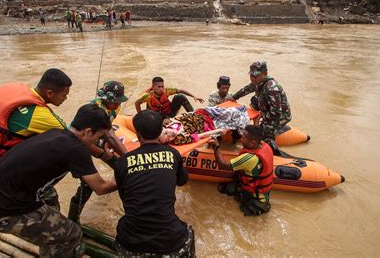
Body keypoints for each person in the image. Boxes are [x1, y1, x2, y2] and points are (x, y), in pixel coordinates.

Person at [0, 104, 117, 257]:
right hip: (4, 212)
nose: (97, 142)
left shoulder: (56, 133)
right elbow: (101, 188)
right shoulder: (75, 149)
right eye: (99, 137)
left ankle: (48, 241)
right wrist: (124, 175)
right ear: (88, 131)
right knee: (72, 233)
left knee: (52, 199)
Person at [0, 68, 71, 184]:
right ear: (50, 93)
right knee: (45, 193)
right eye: (64, 95)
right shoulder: (38, 115)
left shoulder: (13, 88)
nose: (65, 99)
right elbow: (70, 138)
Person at [114, 110, 195, 256]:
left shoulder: (122, 162)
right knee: (188, 231)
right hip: (170, 240)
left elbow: (125, 198)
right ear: (160, 132)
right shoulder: (173, 154)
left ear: (138, 134)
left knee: (123, 224)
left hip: (131, 240)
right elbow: (182, 181)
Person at [68, 81, 128, 223]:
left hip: (95, 139)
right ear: (108, 100)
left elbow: (109, 134)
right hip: (78, 145)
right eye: (116, 102)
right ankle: (72, 220)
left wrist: (128, 159)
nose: (118, 104)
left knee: (122, 167)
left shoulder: (113, 108)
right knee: (87, 186)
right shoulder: (95, 111)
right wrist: (101, 153)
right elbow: (82, 140)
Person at [208, 125, 273, 216]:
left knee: (223, 191)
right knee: (225, 189)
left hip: (256, 201)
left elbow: (223, 166)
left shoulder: (249, 158)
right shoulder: (265, 146)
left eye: (243, 137)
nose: (241, 139)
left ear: (252, 143)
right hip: (257, 190)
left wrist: (216, 147)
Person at [230, 61, 291, 141]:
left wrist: (260, 116)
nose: (253, 78)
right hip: (268, 111)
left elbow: (276, 113)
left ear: (265, 73)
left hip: (280, 116)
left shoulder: (272, 89)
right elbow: (247, 89)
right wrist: (234, 97)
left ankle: (271, 143)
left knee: (262, 136)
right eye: (251, 75)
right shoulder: (257, 82)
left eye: (256, 76)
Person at [159, 105, 249, 145]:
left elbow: (184, 115)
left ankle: (239, 109)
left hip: (203, 113)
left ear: (164, 128)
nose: (170, 135)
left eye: (166, 133)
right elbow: (200, 136)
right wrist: (218, 131)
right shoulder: (179, 139)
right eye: (168, 139)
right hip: (208, 126)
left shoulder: (166, 122)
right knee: (236, 122)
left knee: (233, 112)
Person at [134, 76, 204, 118]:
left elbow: (181, 90)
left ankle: (193, 116)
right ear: (153, 87)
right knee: (147, 113)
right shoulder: (147, 96)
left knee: (180, 96)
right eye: (159, 87)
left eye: (162, 86)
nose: (161, 88)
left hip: (169, 113)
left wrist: (194, 96)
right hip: (157, 118)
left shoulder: (167, 91)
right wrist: (140, 114)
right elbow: (137, 103)